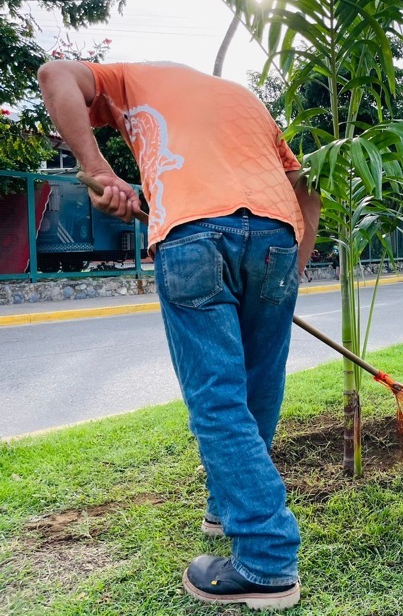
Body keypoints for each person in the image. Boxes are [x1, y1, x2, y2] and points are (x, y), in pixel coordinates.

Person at [38, 60, 321, 611]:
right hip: (277, 237)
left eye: (97, 119)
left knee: (217, 398)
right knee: (259, 386)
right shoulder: (244, 100)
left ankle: (267, 562)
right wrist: (291, 276)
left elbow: (54, 77)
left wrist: (98, 170)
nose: (96, 121)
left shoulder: (122, 77)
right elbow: (304, 189)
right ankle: (225, 505)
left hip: (195, 231)